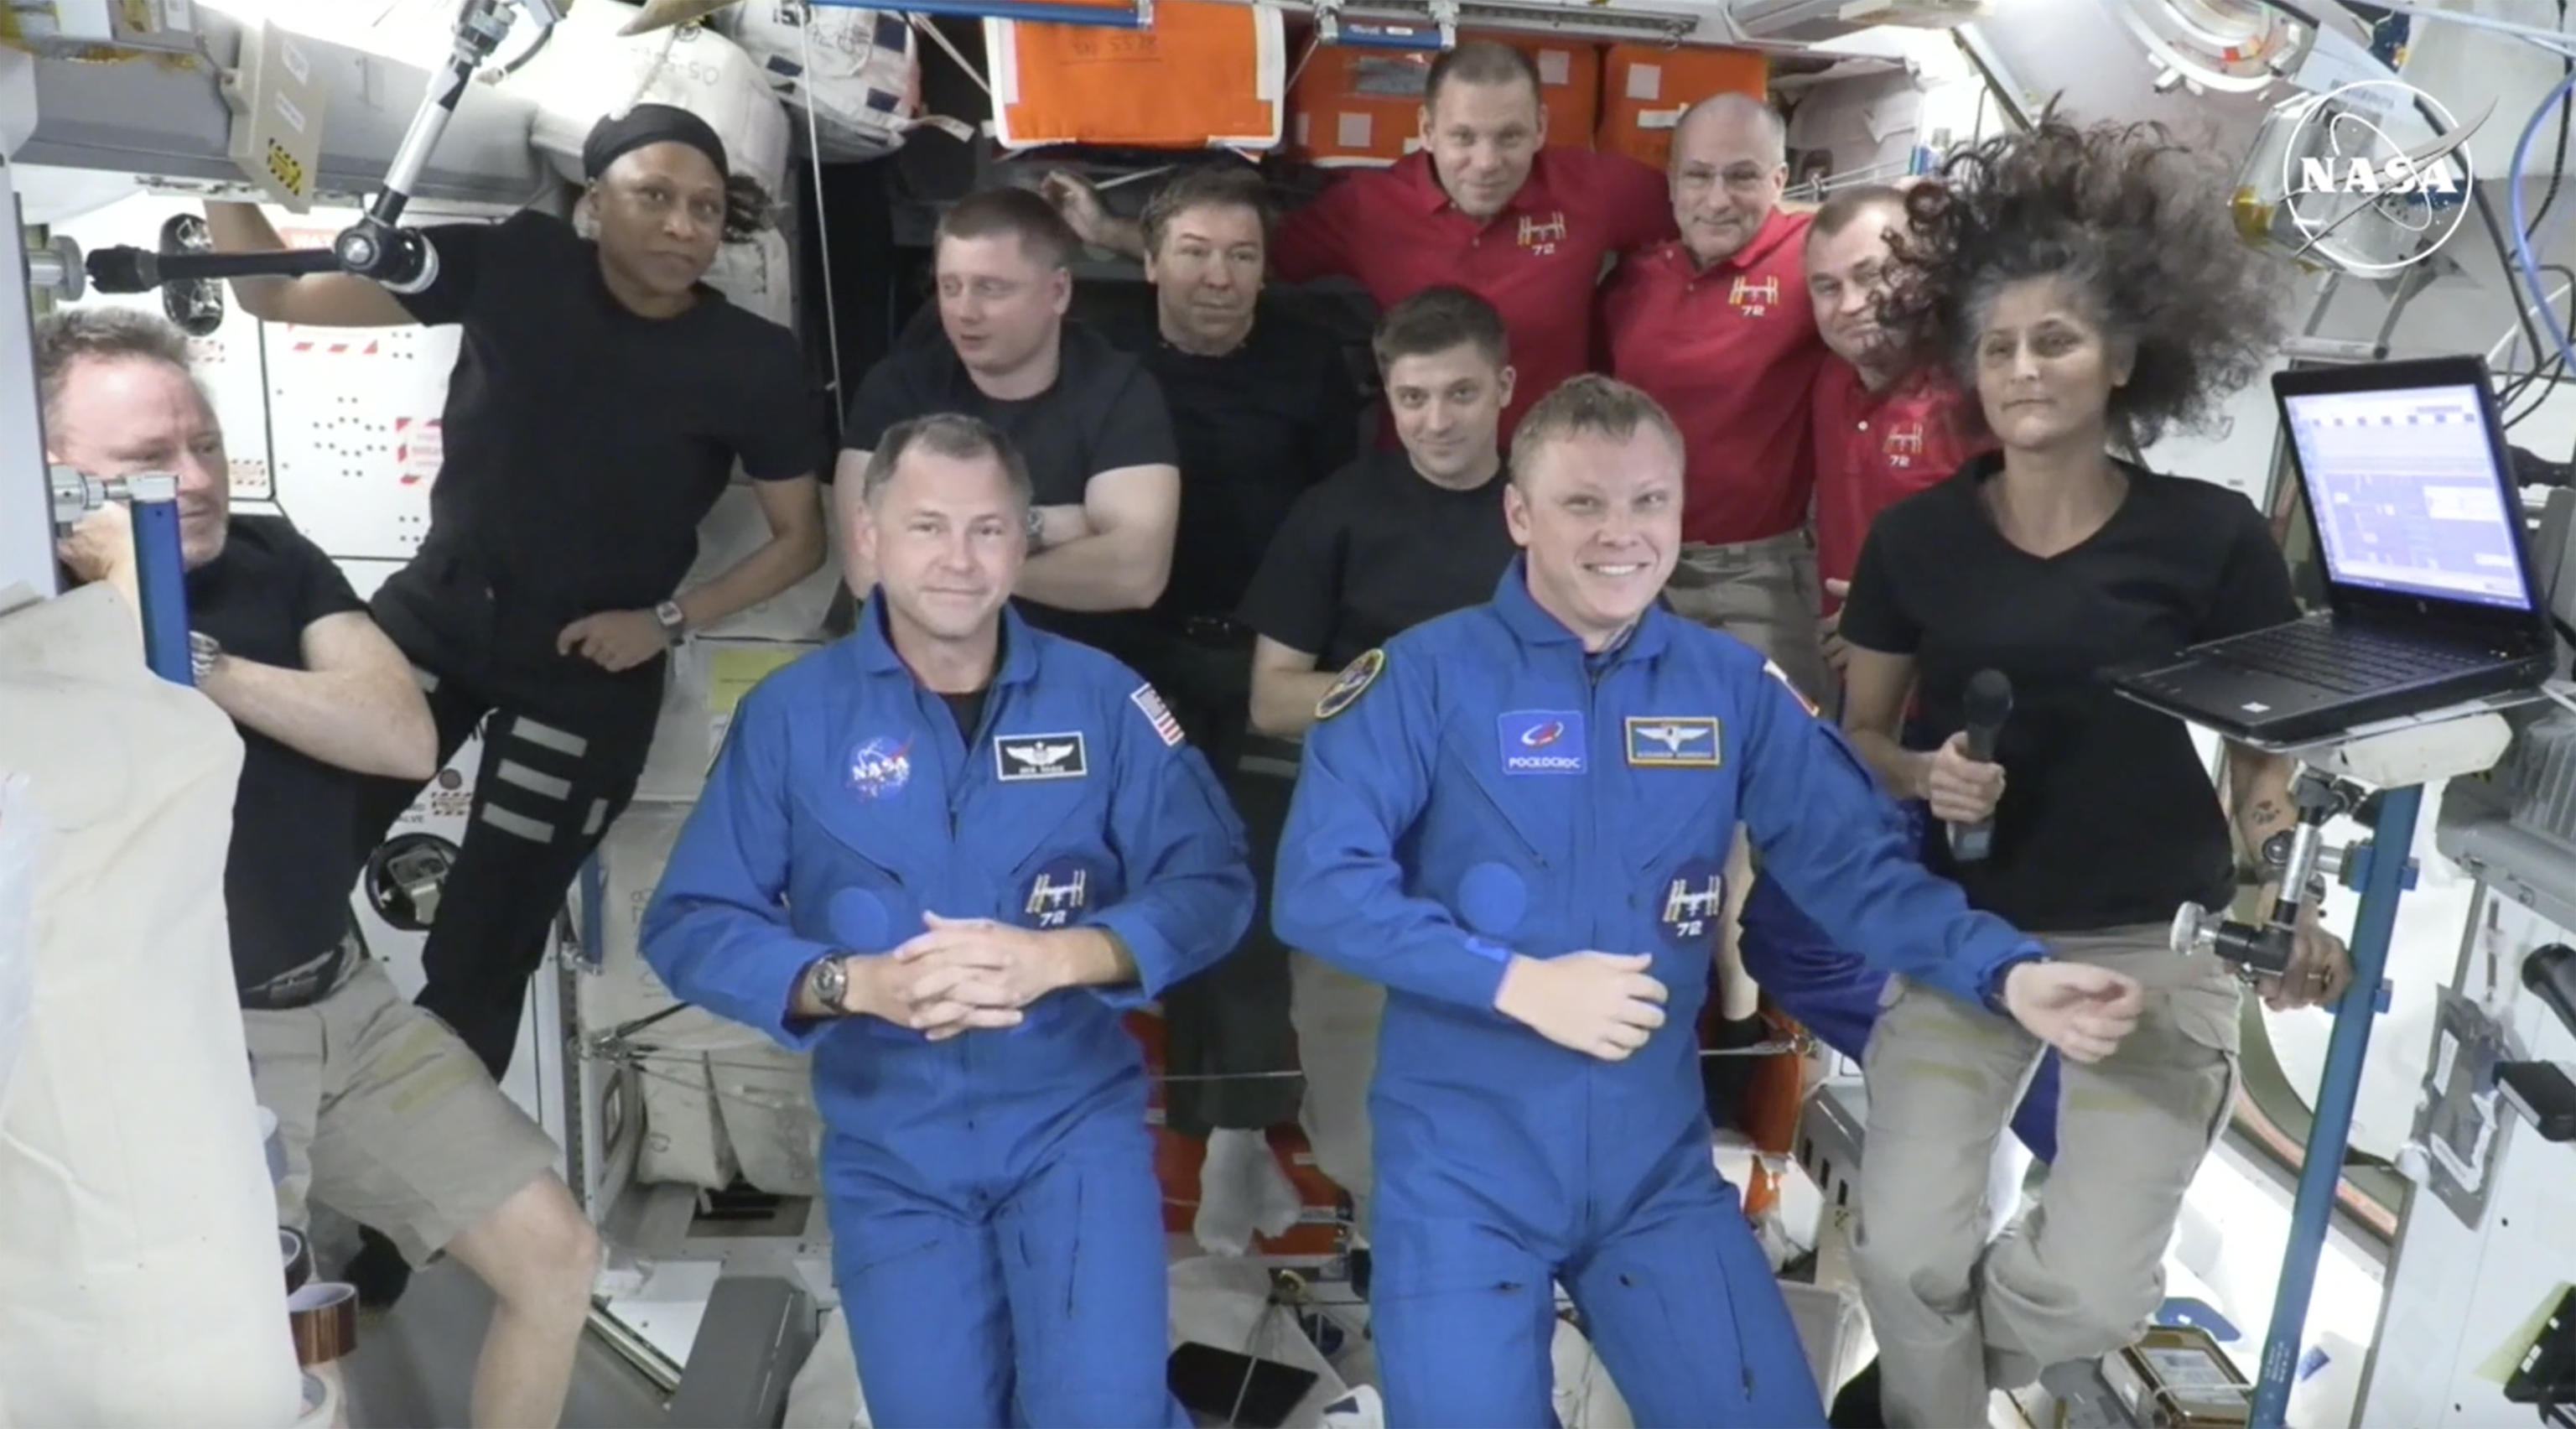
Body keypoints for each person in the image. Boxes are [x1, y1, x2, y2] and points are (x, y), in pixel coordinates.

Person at [1271, 372, 2150, 1426]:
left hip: (1652, 1175)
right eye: (1583, 503)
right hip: (1460, 1174)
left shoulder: (1726, 688)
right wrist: (1515, 985)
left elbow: (1856, 874)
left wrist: (2006, 970)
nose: (1622, 535)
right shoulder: (1417, 678)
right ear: (1520, 514)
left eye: (1650, 502)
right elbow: (1320, 889)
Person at [205, 101, 829, 1304]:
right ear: (593, 202)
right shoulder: (519, 263)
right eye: (653, 194)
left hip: (586, 680)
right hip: (432, 629)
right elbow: (281, 297)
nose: (682, 225)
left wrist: (670, 620)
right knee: (270, 882)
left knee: (482, 951)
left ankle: (394, 1245)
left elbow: (801, 539)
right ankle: (243, 1178)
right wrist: (238, 137)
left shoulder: (748, 362)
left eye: (705, 207)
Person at [1834, 117, 2354, 1429]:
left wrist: (2282, 896)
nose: (2024, 369)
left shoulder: (2211, 538)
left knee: (2089, 1296)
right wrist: (1923, 774)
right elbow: (1862, 741)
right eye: (1999, 347)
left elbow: (2265, 748)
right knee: (1902, 1255)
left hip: (2151, 942)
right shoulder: (1915, 541)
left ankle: (1915, 1392)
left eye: (2055, 340)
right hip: (1970, 942)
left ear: (2125, 357)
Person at [42, 308, 600, 1429]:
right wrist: (129, 591)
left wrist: (208, 662)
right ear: (50, 478)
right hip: (196, 1045)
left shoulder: (272, 559)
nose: (195, 479)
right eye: (149, 463)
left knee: (554, 1256)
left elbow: (399, 734)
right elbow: (112, 746)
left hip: (347, 1004)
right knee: (289, 1363)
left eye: (203, 444)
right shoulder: (35, 618)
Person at [640, 414, 1254, 1427]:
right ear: (870, 539)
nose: (960, 561)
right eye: (927, 528)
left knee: (1106, 1412)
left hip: (1072, 1130)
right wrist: (852, 983)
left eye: (988, 530)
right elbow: (692, 922)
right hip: (893, 1148)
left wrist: (1068, 957)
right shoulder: (793, 717)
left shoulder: (1107, 701)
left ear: (1022, 544)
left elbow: (1214, 882)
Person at [1719, 185, 2063, 1173]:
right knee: (1785, 940)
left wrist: (1900, 630)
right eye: (1825, 286)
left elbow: (2039, 563)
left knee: (1817, 935)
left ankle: (2058, 1125)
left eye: (1872, 274)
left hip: (1965, 735)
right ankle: (1971, 1072)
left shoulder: (1978, 397)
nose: (1849, 303)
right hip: (1868, 727)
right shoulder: (1834, 387)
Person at [1079, 165, 1363, 1252]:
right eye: (1195, 252)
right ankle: (1121, 1137)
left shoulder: (1304, 364)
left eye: (1241, 256)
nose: (1219, 277)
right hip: (1123, 663)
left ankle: (1237, 1139)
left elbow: (1336, 511)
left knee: (1244, 897)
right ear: (1149, 259)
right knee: (1143, 889)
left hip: (1256, 663)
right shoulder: (1099, 364)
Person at [1235, 284, 1522, 1242]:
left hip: (1522, 864)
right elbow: (1273, 696)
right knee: (1360, 1143)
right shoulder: (1339, 512)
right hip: (1365, 859)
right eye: (1412, 399)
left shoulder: (1553, 511)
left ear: (1506, 390)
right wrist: (1411, 704)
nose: (1434, 421)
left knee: (1506, 1131)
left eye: (1460, 395)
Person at [1046, 40, 1674, 441]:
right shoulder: (1369, 209)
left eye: (1509, 137)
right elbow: (1246, 257)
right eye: (1463, 137)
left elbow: (1708, 216)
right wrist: (1109, 232)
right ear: (1426, 129)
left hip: (1553, 462)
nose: (1486, 162)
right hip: (1416, 463)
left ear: (1541, 127)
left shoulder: (1597, 189)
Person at [836, 187, 1182, 654]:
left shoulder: (1118, 388)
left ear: (1058, 291)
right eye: (950, 286)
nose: (964, 311)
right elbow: (867, 569)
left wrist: (939, 554)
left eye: (991, 288)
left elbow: (1137, 574)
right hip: (921, 678)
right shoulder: (899, 387)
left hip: (1081, 672)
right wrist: (1059, 526)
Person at [1603, 94, 1833, 700]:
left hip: (1756, 574)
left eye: (1743, 176)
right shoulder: (1638, 275)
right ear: (1673, 183)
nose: (1717, 199)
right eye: (1699, 176)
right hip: (1634, 558)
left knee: (1784, 751)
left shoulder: (1816, 258)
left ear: (1780, 180)